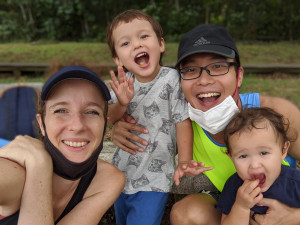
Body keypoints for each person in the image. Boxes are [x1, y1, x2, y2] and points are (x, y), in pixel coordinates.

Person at [111, 23, 300, 225]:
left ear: (239, 75)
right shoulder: (182, 123)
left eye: (218, 66)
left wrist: (292, 217)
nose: (203, 80)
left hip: (287, 199)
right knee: (187, 213)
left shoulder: (275, 113)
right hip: (231, 207)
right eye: (191, 70)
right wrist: (118, 125)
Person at [105, 9, 207, 225]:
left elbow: (182, 122)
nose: (137, 45)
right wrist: (122, 103)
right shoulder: (124, 84)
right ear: (117, 59)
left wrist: (185, 160)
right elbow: (109, 118)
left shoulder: (171, 80)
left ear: (161, 44)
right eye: (125, 43)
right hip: (121, 174)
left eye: (144, 36)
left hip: (155, 177)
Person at [0, 65, 125, 225]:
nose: (77, 125)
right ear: (42, 124)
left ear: (104, 125)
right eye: (61, 110)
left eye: (92, 112)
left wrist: (40, 165)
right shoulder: (13, 169)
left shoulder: (108, 179)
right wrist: (39, 162)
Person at [216, 107, 300, 225]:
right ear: (231, 157)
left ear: (283, 150)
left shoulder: (296, 183)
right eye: (243, 156)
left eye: (264, 153)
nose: (254, 165)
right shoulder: (234, 187)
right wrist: (241, 207)